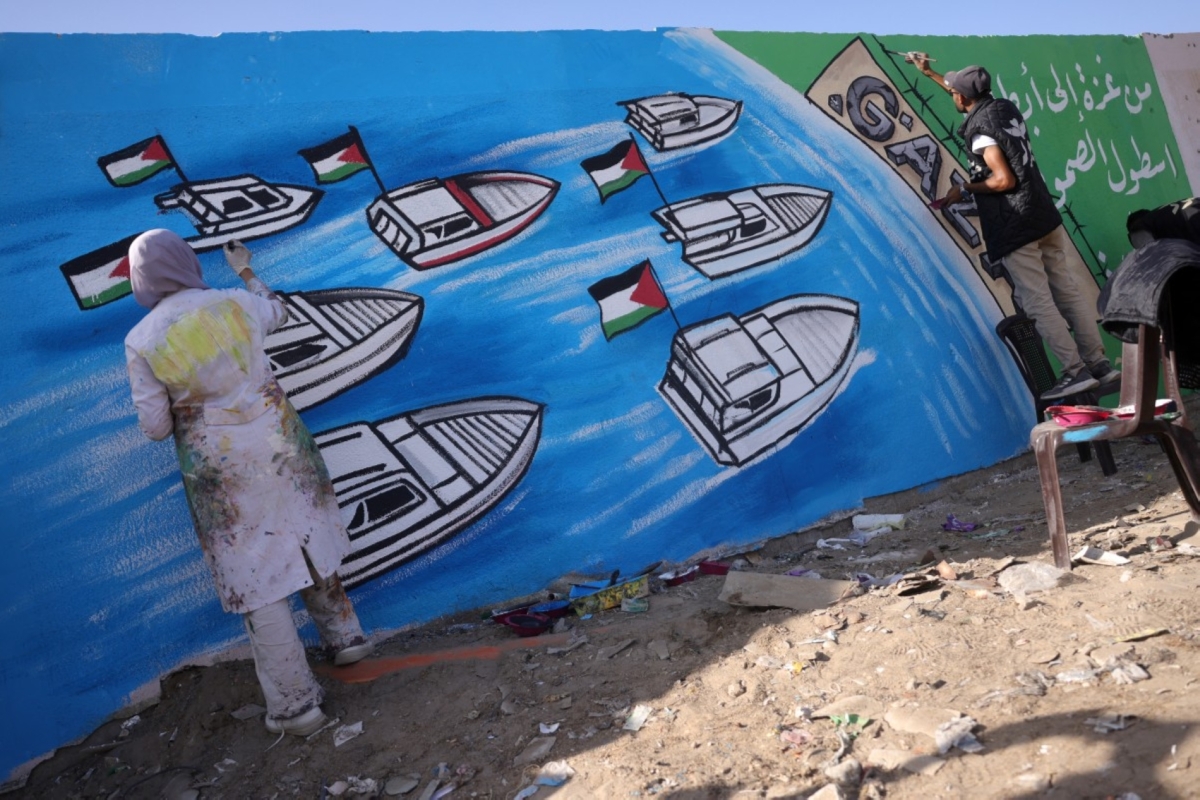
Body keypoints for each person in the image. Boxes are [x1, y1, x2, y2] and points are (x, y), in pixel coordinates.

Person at [123, 229, 371, 737]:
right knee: (306, 535)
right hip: (280, 439)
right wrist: (245, 269)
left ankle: (297, 707)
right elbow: (277, 311)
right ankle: (346, 641)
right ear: (186, 261)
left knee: (257, 577)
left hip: (221, 469)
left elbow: (155, 428)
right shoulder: (235, 302)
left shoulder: (142, 340)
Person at [911, 57, 1120, 400]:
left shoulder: (980, 133)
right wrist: (929, 74)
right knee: (1066, 290)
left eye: (954, 93)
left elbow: (1002, 179)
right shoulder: (1003, 108)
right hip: (1043, 215)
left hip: (1016, 225)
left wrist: (964, 188)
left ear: (963, 100)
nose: (952, 96)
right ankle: (1098, 364)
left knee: (1037, 301)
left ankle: (1075, 373)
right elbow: (961, 93)